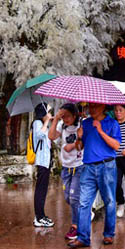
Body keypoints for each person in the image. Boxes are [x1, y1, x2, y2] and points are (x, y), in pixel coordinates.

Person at [67, 102, 121, 249]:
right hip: (88, 167)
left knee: (109, 201)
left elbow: (116, 146)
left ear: (103, 107)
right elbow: (79, 148)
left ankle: (109, 234)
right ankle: (83, 237)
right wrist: (79, 137)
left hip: (107, 166)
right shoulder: (85, 123)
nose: (92, 110)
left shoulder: (112, 123)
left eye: (95, 107)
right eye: (90, 107)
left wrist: (101, 130)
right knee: (84, 203)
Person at [48, 103, 83, 241]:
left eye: (68, 116)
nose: (66, 119)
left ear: (75, 115)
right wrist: (56, 119)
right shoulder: (61, 126)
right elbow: (51, 136)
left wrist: (73, 144)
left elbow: (83, 144)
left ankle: (75, 226)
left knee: (74, 198)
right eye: (63, 116)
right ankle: (83, 211)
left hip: (79, 166)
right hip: (66, 167)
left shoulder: (81, 125)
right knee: (68, 197)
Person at [31, 102, 54, 227]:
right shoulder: (37, 123)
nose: (49, 114)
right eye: (48, 112)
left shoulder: (43, 124)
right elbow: (39, 135)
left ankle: (41, 215)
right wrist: (46, 122)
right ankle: (39, 217)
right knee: (40, 190)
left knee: (43, 190)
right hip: (42, 161)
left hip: (46, 161)